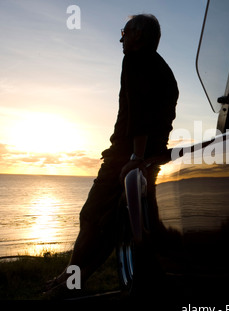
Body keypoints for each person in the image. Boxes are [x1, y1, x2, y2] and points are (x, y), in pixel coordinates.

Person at [45, 13, 178, 295]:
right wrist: (148, 155)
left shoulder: (134, 59)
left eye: (125, 31)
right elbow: (163, 118)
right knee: (111, 226)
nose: (121, 37)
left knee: (91, 216)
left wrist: (134, 158)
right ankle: (71, 281)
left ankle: (70, 283)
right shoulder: (165, 70)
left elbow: (138, 112)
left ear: (139, 34)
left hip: (126, 156)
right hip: (152, 156)